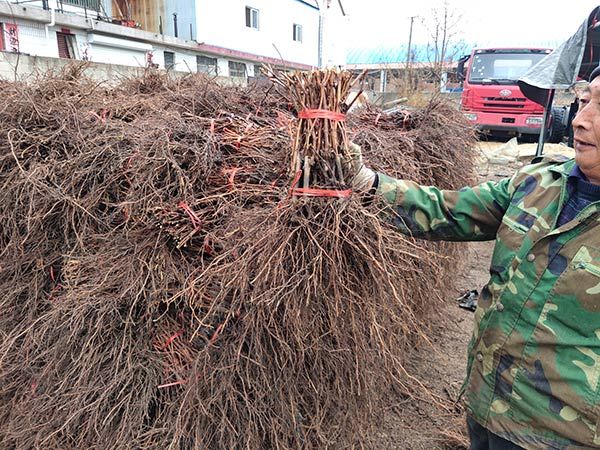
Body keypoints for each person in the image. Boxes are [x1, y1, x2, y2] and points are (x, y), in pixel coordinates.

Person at [349, 67, 600, 449]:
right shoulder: (538, 183)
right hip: (486, 405)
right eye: (584, 100)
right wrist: (368, 183)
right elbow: (452, 209)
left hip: (559, 436)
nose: (581, 120)